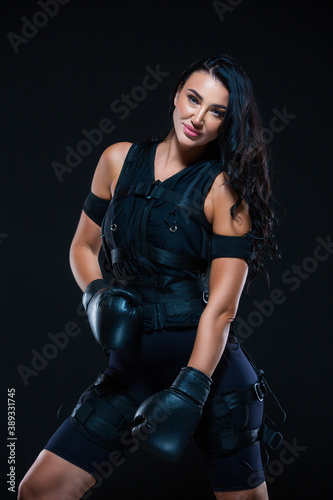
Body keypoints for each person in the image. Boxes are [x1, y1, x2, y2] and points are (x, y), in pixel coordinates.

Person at [18, 54, 282, 500]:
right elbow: (83, 247)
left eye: (216, 111)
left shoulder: (224, 191)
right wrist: (96, 294)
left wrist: (192, 390)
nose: (198, 118)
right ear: (177, 92)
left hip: (210, 378)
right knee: (39, 490)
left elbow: (222, 309)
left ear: (226, 122)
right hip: (130, 372)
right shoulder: (117, 160)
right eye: (193, 99)